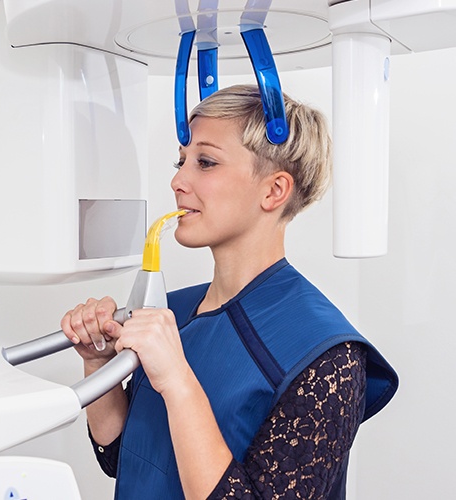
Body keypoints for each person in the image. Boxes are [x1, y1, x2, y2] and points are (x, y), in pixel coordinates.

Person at [61, 84, 398, 500]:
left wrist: (178, 380)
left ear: (274, 191)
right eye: (181, 161)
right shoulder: (174, 312)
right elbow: (122, 460)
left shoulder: (327, 356)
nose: (177, 180)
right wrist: (99, 365)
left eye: (205, 162)